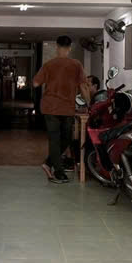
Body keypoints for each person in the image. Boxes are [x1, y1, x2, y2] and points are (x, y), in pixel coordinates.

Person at [33, 35, 91, 183]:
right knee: (65, 139)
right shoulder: (76, 65)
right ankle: (58, 172)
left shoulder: (49, 64)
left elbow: (35, 83)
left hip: (51, 107)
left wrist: (50, 80)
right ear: (69, 48)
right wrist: (89, 104)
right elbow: (83, 87)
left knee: (55, 140)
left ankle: (48, 163)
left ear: (57, 47)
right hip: (65, 108)